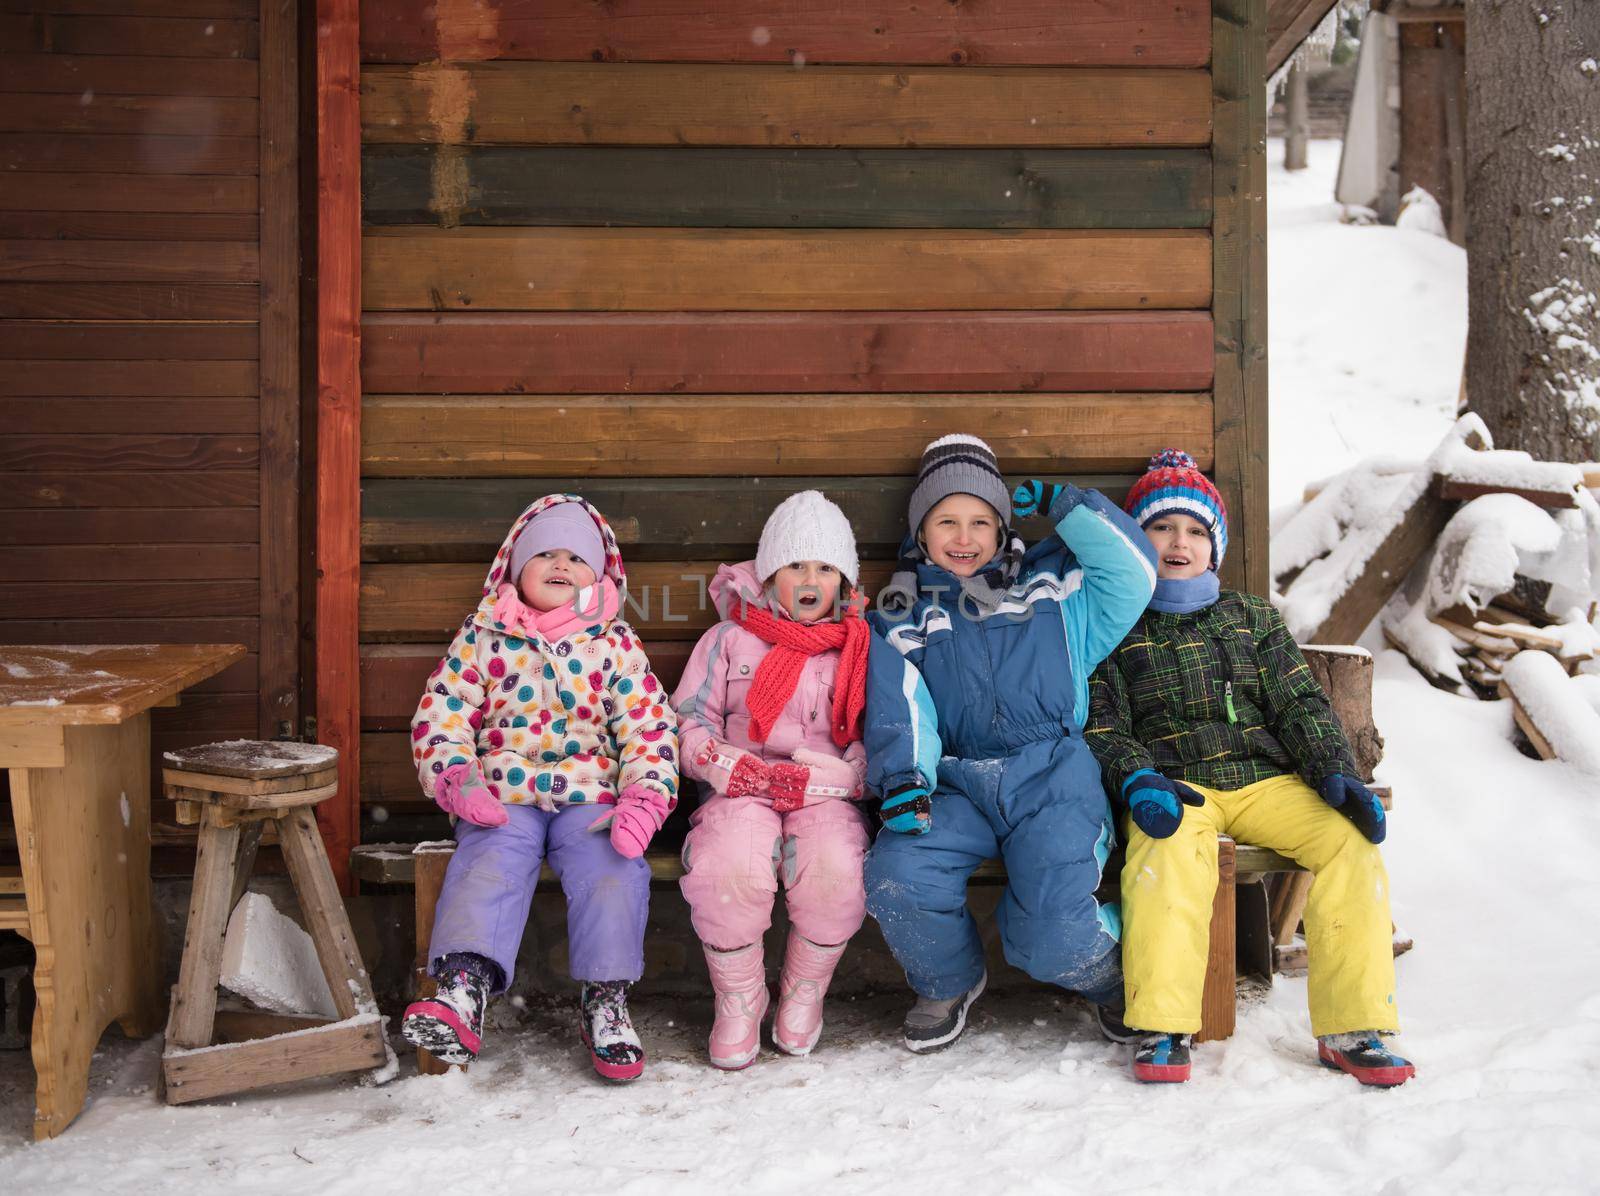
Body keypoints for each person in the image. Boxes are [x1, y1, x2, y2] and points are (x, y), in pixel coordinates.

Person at [1087, 450, 1413, 1086]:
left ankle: (1355, 1026)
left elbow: (1298, 701)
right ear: (1136, 539)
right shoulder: (1115, 622)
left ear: (1215, 547)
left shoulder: (1251, 617)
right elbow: (1102, 722)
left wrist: (1333, 772)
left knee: (1349, 842)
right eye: (1161, 527)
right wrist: (1135, 776)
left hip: (1266, 781)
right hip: (1174, 783)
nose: (1178, 543)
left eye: (1194, 531)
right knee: (1164, 850)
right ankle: (1162, 1024)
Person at [863, 434, 1157, 1052]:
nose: (963, 536)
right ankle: (948, 979)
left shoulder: (1055, 586)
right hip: (953, 782)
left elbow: (1134, 571)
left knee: (1052, 929)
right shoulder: (900, 609)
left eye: (979, 521)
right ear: (921, 531)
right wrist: (905, 781)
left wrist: (1068, 504)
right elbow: (901, 704)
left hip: (1051, 775)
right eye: (946, 520)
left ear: (1002, 529)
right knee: (898, 872)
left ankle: (1107, 976)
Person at [400, 494, 677, 1082]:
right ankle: (461, 988)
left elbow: (648, 726)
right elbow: (443, 712)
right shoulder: (482, 636)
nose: (561, 565)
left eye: (576, 558)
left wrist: (645, 796)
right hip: (502, 796)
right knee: (489, 861)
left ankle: (606, 998)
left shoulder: (615, 643)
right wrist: (455, 775)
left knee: (614, 867)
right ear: (516, 568)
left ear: (599, 575)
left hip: (592, 800)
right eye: (545, 553)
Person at [675, 491, 872, 1068]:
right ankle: (738, 997)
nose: (811, 578)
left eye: (825, 567)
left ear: (843, 580)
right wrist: (715, 759)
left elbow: (880, 731)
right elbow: (689, 718)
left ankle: (805, 990)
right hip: (740, 788)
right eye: (796, 566)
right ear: (767, 577)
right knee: (727, 866)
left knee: (837, 868)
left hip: (824, 794)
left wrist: (849, 772)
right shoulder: (727, 641)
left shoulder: (857, 651)